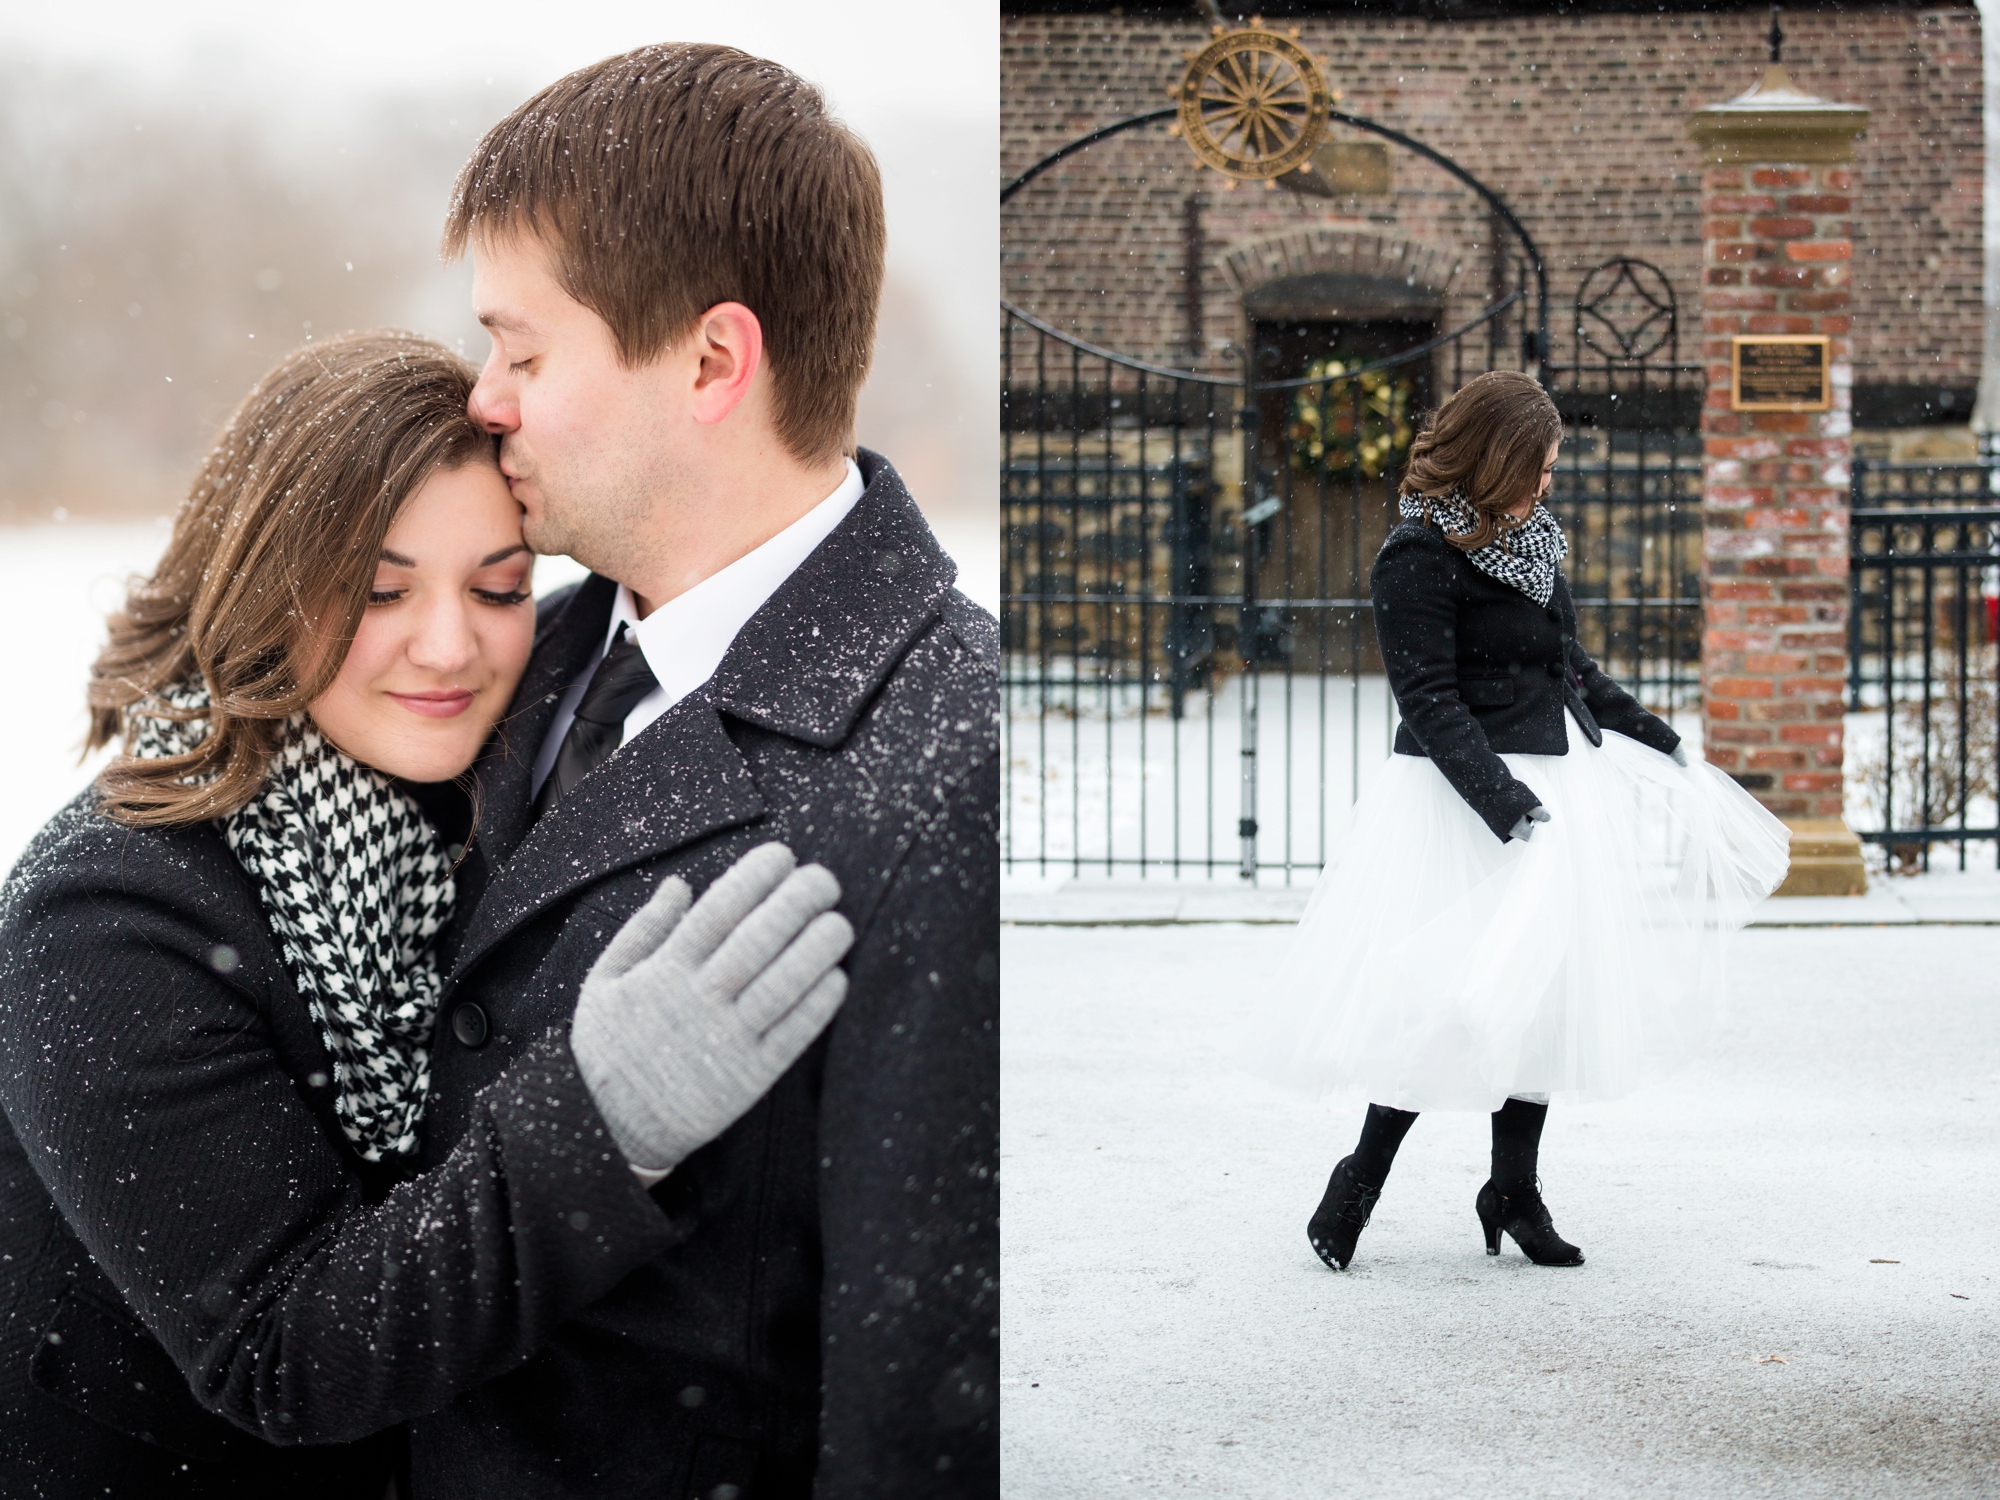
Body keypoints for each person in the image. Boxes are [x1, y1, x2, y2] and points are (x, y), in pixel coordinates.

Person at [0, 331, 855, 1497]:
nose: (449, 646)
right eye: (378, 590)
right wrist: (605, 1119)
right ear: (260, 585)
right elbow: (284, 1349)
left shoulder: (494, 801)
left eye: (500, 588)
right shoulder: (100, 914)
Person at [411, 43, 999, 1499]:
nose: (483, 399)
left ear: (714, 361)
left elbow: (922, 1397)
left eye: (526, 352)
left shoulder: (953, 758)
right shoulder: (491, 655)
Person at [1246, 370, 1790, 1273]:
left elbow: (1564, 664)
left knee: (1541, 997)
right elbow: (1426, 699)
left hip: (1554, 788)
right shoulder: (1416, 555)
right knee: (1448, 998)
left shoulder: (1531, 541)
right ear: (1499, 458)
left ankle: (1513, 1189)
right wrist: (1511, 810)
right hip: (1463, 802)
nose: (1548, 481)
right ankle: (1361, 1178)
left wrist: (1660, 739)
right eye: (1540, 463)